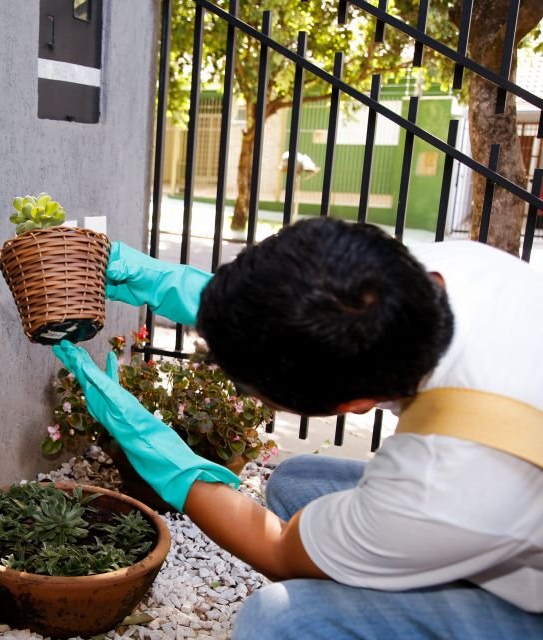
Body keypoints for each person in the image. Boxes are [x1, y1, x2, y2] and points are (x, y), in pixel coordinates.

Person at [51, 217, 543, 638]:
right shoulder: (447, 272)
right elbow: (315, 312)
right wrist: (165, 283)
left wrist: (156, 449)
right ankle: (421, 561)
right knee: (296, 483)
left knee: (282, 622)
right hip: (508, 512)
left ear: (355, 404)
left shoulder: (446, 485)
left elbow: (281, 552)